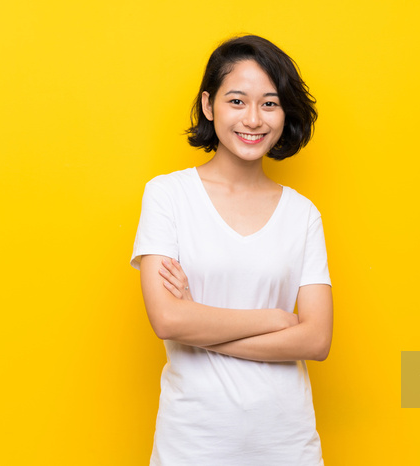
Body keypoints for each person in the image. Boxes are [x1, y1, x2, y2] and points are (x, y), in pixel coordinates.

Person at [131, 34, 333, 465]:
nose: (254, 119)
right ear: (209, 106)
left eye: (270, 103)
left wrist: (200, 324)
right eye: (237, 101)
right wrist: (275, 320)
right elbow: (167, 318)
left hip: (286, 442)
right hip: (194, 442)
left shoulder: (303, 214)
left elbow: (316, 338)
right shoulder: (168, 196)